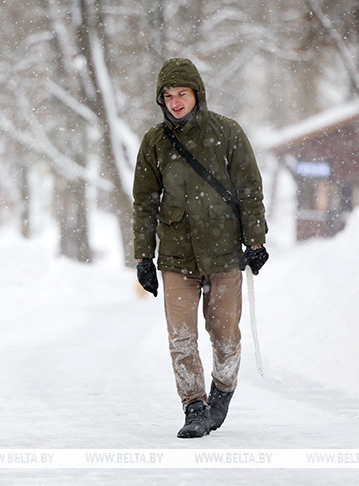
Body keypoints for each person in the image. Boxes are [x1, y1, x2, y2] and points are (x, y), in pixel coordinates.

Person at [132, 58, 269, 439]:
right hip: (177, 256)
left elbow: (249, 191)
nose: (175, 102)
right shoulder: (155, 142)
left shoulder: (227, 133)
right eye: (168, 96)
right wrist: (143, 256)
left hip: (225, 253)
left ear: (197, 94)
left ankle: (221, 393)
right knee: (180, 336)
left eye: (182, 94)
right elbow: (144, 203)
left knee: (225, 334)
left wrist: (255, 240)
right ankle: (193, 405)